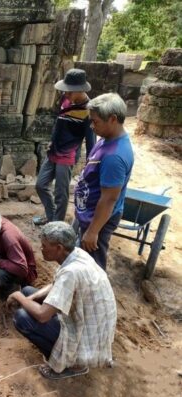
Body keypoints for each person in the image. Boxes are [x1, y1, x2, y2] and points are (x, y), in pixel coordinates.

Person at [8, 222, 116, 380]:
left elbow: (42, 315)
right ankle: (64, 352)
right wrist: (28, 298)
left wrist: (17, 296)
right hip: (91, 324)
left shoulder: (71, 272)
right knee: (29, 292)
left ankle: (71, 365)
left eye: (44, 246)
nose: (41, 248)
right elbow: (55, 284)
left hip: (87, 337)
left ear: (59, 248)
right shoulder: (76, 253)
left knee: (22, 318)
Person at [74, 93, 134, 269]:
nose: (92, 126)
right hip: (89, 214)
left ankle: (95, 295)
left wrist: (93, 232)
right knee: (81, 259)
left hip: (98, 220)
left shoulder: (114, 156)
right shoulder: (107, 139)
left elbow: (109, 199)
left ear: (113, 119)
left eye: (96, 122)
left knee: (92, 266)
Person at [34, 69, 96, 226]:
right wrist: (52, 141)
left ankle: (57, 226)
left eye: (69, 91)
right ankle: (51, 216)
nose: (66, 94)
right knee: (40, 185)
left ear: (80, 90)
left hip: (68, 155)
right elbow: (58, 123)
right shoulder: (65, 100)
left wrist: (90, 165)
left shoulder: (89, 111)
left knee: (60, 194)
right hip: (53, 151)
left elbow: (91, 141)